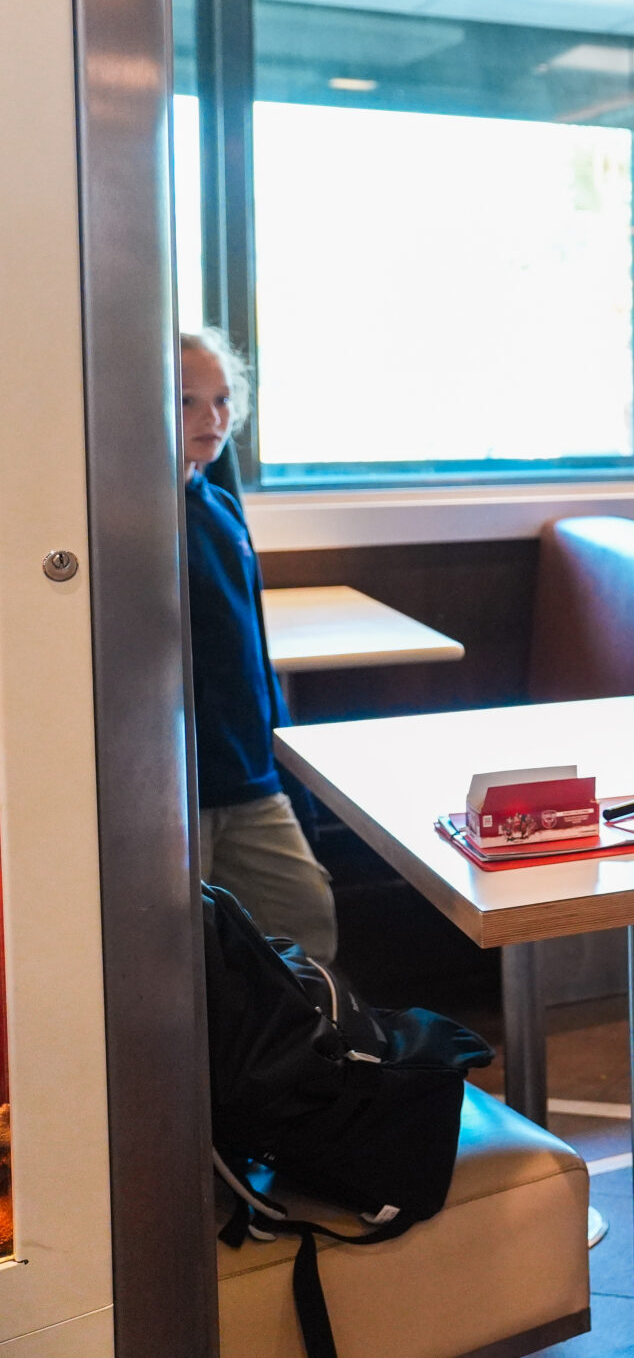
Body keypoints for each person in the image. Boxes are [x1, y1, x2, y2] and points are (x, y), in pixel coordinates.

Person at [181, 330, 339, 963]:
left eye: (222, 400)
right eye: (188, 401)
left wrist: (279, 755)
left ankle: (312, 1027)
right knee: (182, 948)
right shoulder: (134, 518)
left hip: (248, 775)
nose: (213, 418)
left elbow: (251, 651)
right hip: (181, 786)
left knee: (306, 916)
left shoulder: (219, 505)